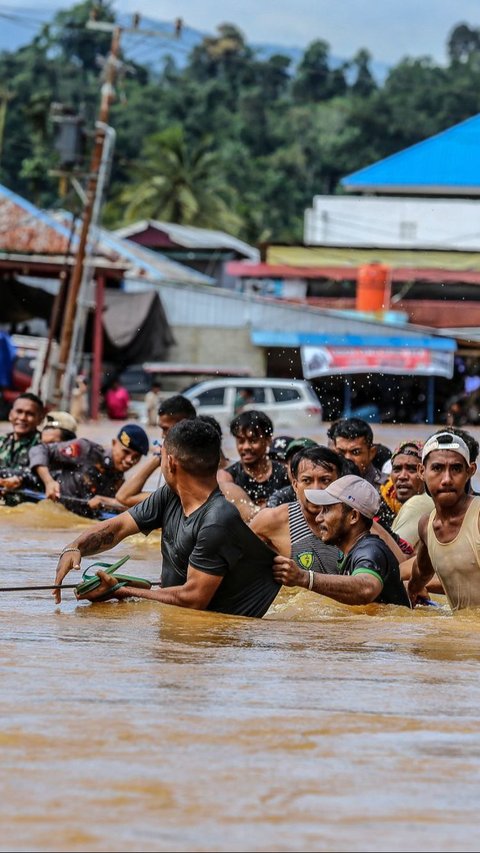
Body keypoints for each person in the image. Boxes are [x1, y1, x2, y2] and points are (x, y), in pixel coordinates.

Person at [53, 418, 281, 617]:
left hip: (213, 637)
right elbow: (118, 527)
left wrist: (120, 591)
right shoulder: (170, 495)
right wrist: (75, 547)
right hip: (179, 613)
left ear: (171, 462)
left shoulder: (218, 519)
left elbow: (193, 600)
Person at [273, 475, 411, 608]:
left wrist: (304, 578)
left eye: (327, 510)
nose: (318, 518)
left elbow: (367, 588)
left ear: (353, 516)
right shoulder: (354, 553)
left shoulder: (369, 550)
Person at [115, 413, 257, 523]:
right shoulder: (177, 494)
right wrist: (162, 457)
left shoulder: (230, 488)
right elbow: (124, 497)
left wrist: (165, 455)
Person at [407, 432, 480, 611]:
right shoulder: (426, 526)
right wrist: (410, 592)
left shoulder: (478, 517)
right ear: (422, 472)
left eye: (456, 469)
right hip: (460, 634)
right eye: (437, 468)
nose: (447, 479)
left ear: (470, 471)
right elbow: (421, 573)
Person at [251, 445, 344, 573]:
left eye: (325, 480)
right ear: (295, 485)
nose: (316, 489)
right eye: (307, 480)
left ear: (339, 483)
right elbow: (231, 557)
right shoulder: (272, 520)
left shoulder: (355, 521)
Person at [29, 423, 149, 517]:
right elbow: (39, 450)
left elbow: (124, 505)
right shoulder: (86, 450)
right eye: (126, 452)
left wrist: (105, 501)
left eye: (136, 457)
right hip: (41, 494)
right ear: (114, 443)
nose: (129, 460)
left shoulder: (120, 480)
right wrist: (48, 482)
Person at [218, 410, 290, 507]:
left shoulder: (285, 474)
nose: (246, 447)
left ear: (268, 440)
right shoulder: (228, 477)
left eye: (253, 440)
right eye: (241, 441)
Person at [0, 392, 44, 504]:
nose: (22, 418)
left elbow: (41, 478)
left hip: (27, 504)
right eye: (19, 412)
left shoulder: (44, 445)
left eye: (30, 414)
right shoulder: (2, 441)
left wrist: (20, 479)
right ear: (10, 414)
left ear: (40, 419)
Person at [329, 417, 386, 489]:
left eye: (355, 452)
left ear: (372, 453)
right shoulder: (326, 483)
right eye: (341, 453)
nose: (347, 458)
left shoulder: (387, 488)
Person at [266, 437, 318, 508]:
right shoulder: (280, 498)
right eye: (294, 462)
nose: (299, 469)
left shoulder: (330, 492)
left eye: (306, 463)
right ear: (287, 465)